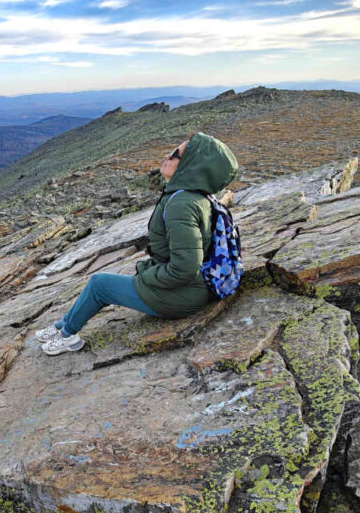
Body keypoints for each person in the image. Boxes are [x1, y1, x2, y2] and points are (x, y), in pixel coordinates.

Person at [36, 131, 239, 355]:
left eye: (174, 154)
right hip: (184, 288)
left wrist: (146, 276)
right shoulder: (192, 196)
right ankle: (61, 326)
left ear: (192, 164)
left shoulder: (182, 203)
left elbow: (185, 268)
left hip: (182, 296)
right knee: (105, 283)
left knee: (99, 284)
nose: (166, 155)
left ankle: (67, 338)